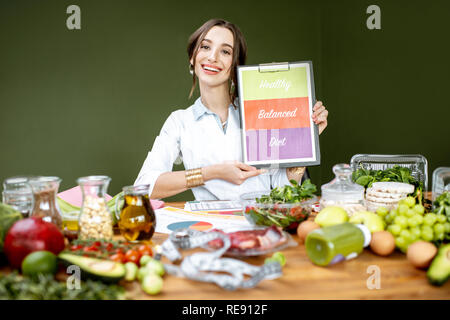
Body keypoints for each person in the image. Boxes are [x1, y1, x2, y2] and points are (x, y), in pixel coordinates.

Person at [135, 19, 329, 200]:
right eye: (205, 47)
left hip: (259, 224)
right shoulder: (180, 122)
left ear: (235, 65)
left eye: (225, 52)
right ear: (192, 57)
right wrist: (211, 173)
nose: (212, 57)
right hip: (210, 230)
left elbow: (283, 188)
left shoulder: (261, 112)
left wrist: (305, 144)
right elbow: (144, 186)